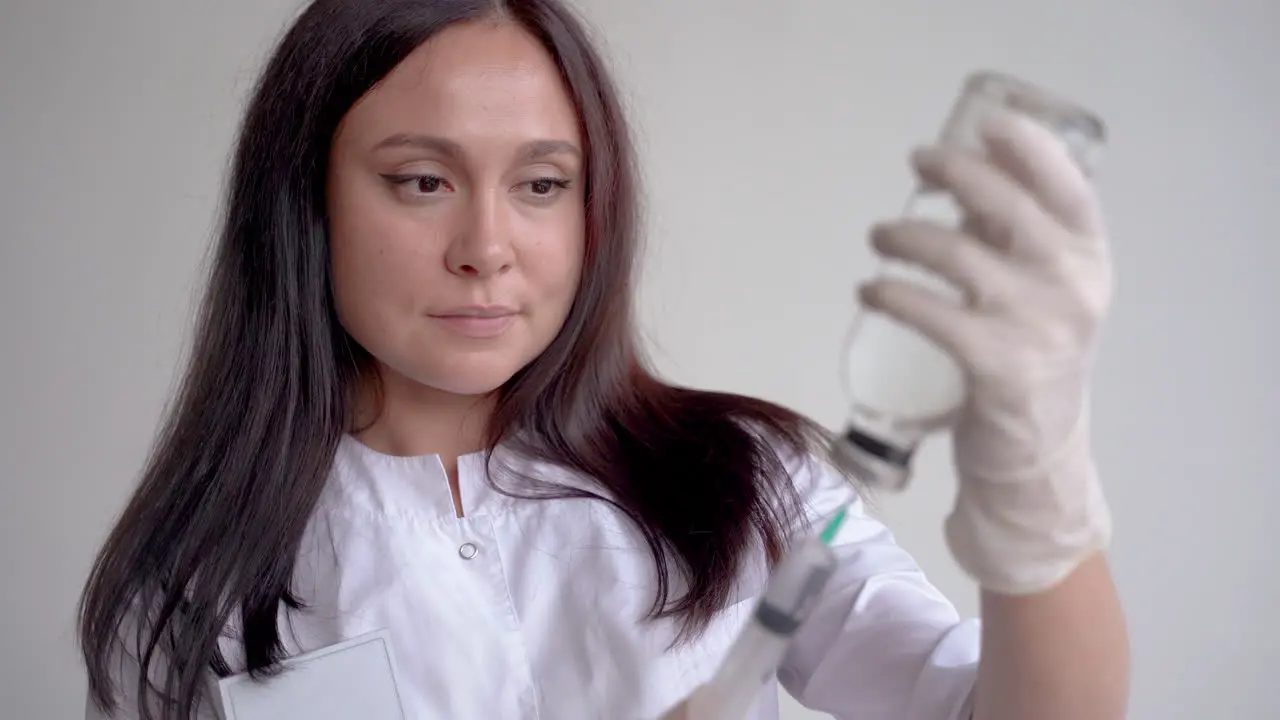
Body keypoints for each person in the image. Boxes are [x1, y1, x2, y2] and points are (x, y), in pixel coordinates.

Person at [77, 0, 1130, 718]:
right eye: (419, 181)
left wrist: (1035, 491)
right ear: (306, 200)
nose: (485, 248)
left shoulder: (744, 479)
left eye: (540, 184)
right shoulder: (191, 582)